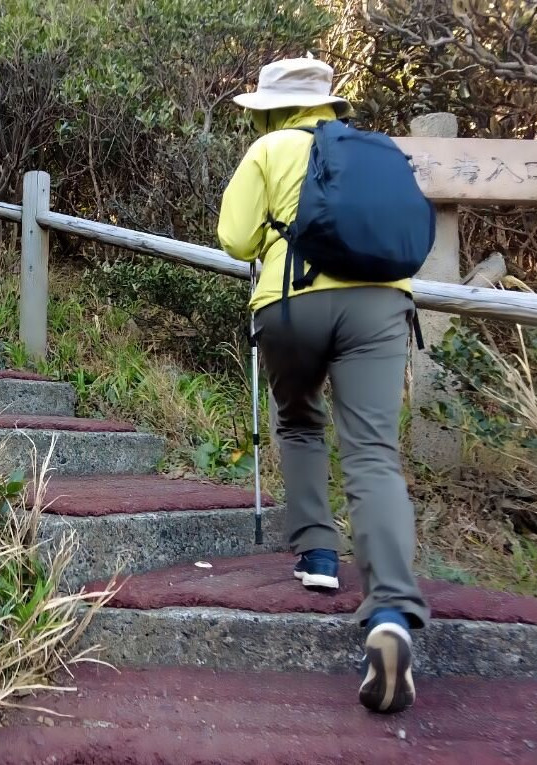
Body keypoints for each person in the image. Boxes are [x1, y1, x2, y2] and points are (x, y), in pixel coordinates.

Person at [217, 57, 430, 715]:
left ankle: (316, 551)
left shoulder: (270, 148)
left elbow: (233, 238)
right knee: (372, 454)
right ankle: (391, 608)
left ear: (270, 107)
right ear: (330, 104)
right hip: (380, 305)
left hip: (292, 303)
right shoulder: (379, 150)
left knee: (300, 418)